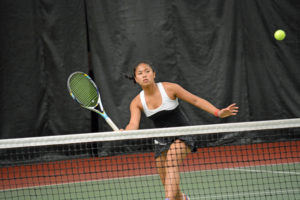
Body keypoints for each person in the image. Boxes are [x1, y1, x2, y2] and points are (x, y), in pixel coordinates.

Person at [123, 62, 238, 200]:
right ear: (136, 79)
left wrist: (218, 112)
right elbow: (133, 124)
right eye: (140, 73)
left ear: (154, 74)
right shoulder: (136, 102)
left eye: (147, 71)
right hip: (161, 140)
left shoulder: (170, 88)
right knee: (168, 184)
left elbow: (195, 100)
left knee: (172, 160)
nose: (144, 75)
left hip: (183, 133)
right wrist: (125, 131)